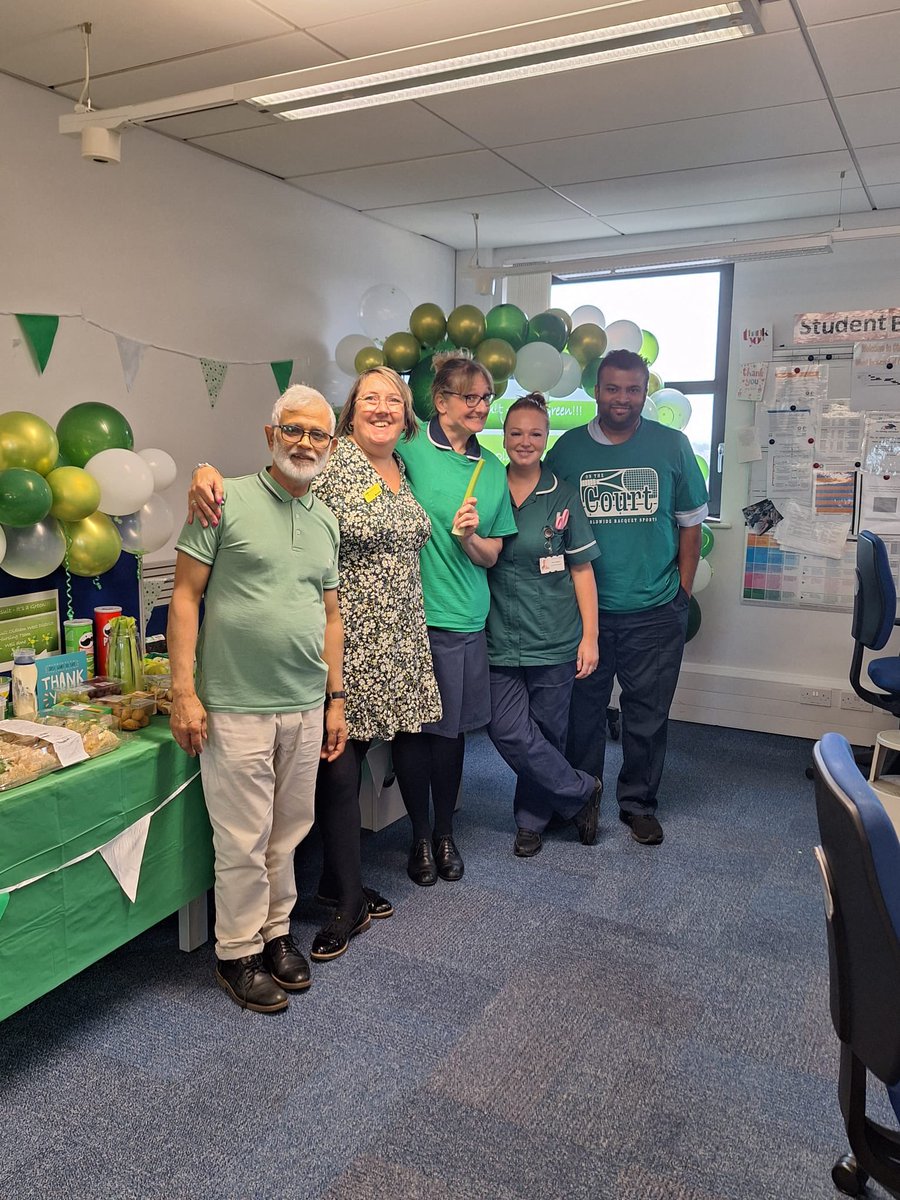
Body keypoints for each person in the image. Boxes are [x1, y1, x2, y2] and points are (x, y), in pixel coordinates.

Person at [188, 368, 442, 950]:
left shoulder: (403, 468)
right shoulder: (333, 462)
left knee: (358, 758)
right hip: (345, 632)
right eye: (371, 398)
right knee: (339, 762)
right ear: (350, 413)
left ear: (407, 417)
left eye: (394, 401)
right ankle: (345, 897)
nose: (383, 408)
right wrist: (204, 472)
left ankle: (333, 880)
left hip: (399, 633)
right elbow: (275, 488)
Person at [169, 385, 346, 1014]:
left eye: (317, 434)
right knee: (241, 838)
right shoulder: (223, 499)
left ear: (331, 445)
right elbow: (185, 597)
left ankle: (276, 935)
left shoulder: (326, 519)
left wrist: (336, 699)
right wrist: (183, 691)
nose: (305, 443)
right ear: (270, 435)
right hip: (235, 704)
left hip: (303, 699)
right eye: (293, 430)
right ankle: (236, 953)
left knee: (288, 831)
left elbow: (329, 614)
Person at [545, 349, 709, 846]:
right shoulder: (568, 451)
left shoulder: (672, 446)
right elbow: (548, 522)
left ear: (645, 392)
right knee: (583, 716)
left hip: (656, 610)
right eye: (613, 388)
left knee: (647, 716)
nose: (622, 398)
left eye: (632, 389)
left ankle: (638, 803)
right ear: (597, 390)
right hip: (587, 615)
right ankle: (580, 797)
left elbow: (691, 527)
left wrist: (680, 593)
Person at [394, 352, 517, 885]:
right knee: (411, 733)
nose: (481, 407)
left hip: (464, 618)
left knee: (448, 736)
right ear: (439, 402)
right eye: (470, 397)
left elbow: (493, 555)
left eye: (486, 398)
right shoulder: (405, 455)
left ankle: (445, 832)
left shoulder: (490, 471)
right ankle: (418, 837)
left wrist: (469, 537)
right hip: (406, 617)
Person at [485, 392, 603, 858]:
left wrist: (590, 637)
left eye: (535, 433)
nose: (525, 441)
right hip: (498, 633)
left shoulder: (564, 494)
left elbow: (582, 570)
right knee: (507, 729)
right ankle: (579, 791)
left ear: (546, 437)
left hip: (554, 635)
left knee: (548, 733)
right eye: (516, 433)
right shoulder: (488, 483)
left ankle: (531, 821)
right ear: (505, 436)